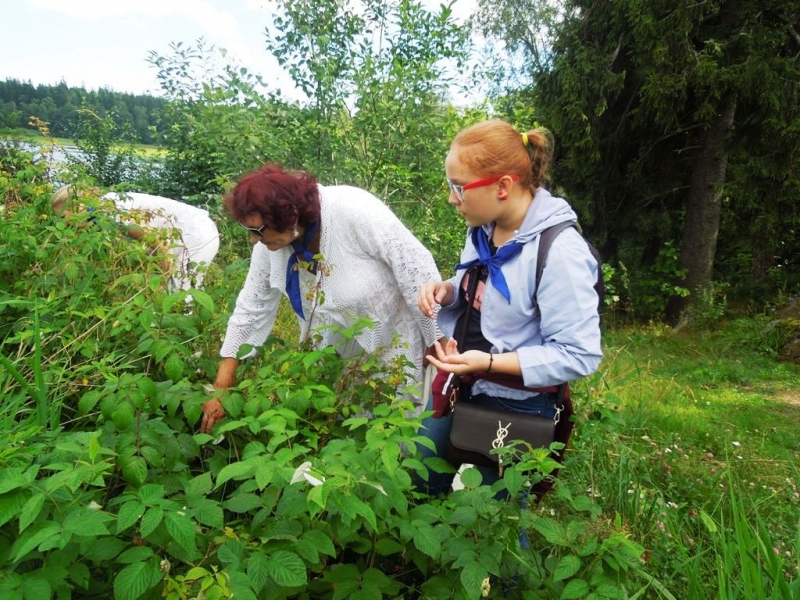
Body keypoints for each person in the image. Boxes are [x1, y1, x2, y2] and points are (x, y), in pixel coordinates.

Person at [416, 119, 603, 495]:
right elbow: (481, 290)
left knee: (492, 518)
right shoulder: (484, 228)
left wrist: (486, 363)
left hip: (519, 406)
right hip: (464, 385)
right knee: (419, 477)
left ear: (503, 186)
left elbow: (580, 355)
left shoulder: (560, 252)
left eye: (459, 187)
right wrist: (449, 291)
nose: (452, 198)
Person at [200, 164, 441, 433]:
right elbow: (251, 308)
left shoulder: (353, 208)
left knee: (400, 436)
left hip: (398, 347)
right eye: (248, 231)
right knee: (348, 433)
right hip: (340, 362)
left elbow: (416, 270)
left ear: (289, 215)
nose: (254, 241)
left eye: (257, 230)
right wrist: (222, 386)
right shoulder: (271, 243)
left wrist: (436, 339)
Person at [50, 185, 220, 291]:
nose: (64, 225)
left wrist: (160, 283)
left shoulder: (114, 214)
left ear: (79, 206)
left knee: (181, 294)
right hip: (178, 236)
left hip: (195, 233)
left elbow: (160, 244)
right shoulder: (97, 216)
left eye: (65, 217)